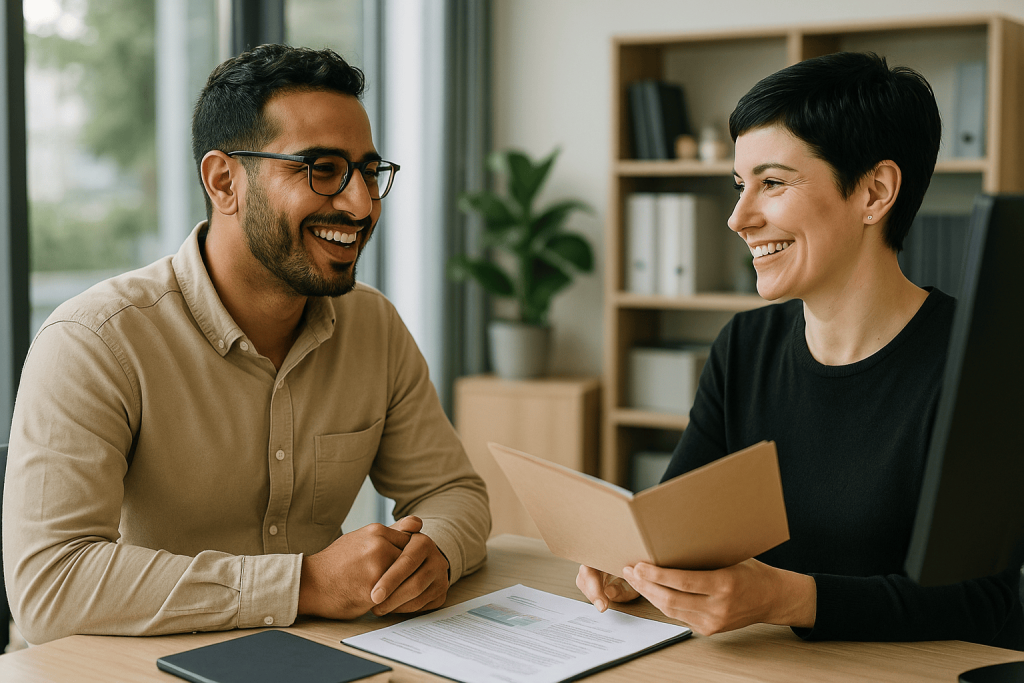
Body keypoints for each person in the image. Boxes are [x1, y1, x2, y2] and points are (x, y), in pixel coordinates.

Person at [3, 44, 490, 645]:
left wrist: (433, 554)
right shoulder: (94, 342)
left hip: (312, 658)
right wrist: (304, 584)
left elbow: (452, 493)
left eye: (367, 171)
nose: (361, 203)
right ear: (224, 181)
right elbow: (49, 587)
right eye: (321, 169)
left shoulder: (373, 326)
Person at [578, 52, 1023, 648]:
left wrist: (787, 598)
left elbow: (982, 603)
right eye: (740, 186)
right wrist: (638, 568)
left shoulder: (980, 363)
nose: (739, 218)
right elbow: (672, 530)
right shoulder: (743, 346)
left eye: (773, 183)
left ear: (874, 192)